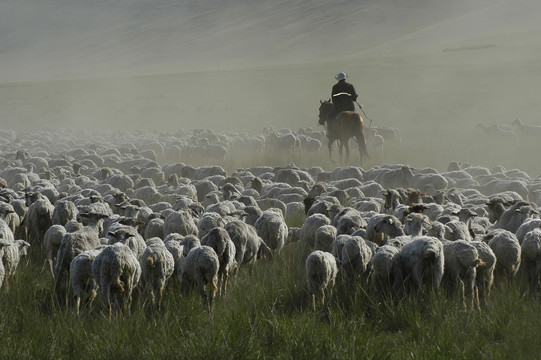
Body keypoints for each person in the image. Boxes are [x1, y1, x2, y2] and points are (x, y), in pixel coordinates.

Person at [327, 72, 359, 137]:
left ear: (338, 79)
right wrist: (356, 96)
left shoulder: (335, 87)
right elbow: (354, 98)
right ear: (345, 78)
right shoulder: (350, 86)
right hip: (350, 108)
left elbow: (333, 99)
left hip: (338, 109)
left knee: (329, 116)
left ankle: (331, 133)